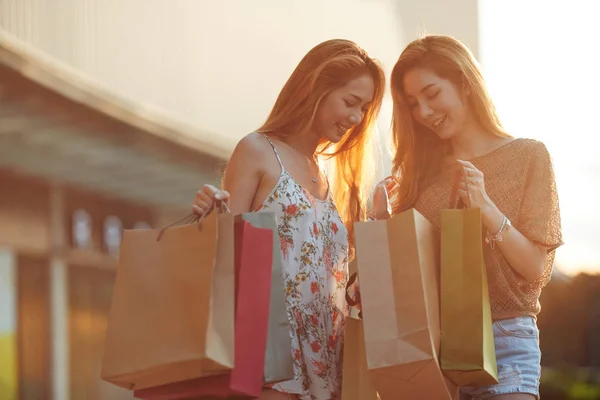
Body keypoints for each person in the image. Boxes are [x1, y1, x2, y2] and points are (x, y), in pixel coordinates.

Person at [192, 39, 386, 400]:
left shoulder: (331, 177)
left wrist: (378, 226)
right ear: (316, 88)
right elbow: (224, 257)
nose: (356, 118)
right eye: (350, 102)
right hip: (274, 358)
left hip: (332, 363)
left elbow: (341, 286)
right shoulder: (258, 150)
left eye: (363, 108)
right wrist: (209, 211)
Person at [375, 35, 563, 400]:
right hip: (428, 348)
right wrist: (383, 226)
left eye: (432, 94)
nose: (424, 112)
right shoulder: (418, 176)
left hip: (505, 343)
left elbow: (535, 268)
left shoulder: (529, 155)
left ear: (463, 83)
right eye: (413, 104)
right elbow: (407, 278)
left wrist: (487, 209)